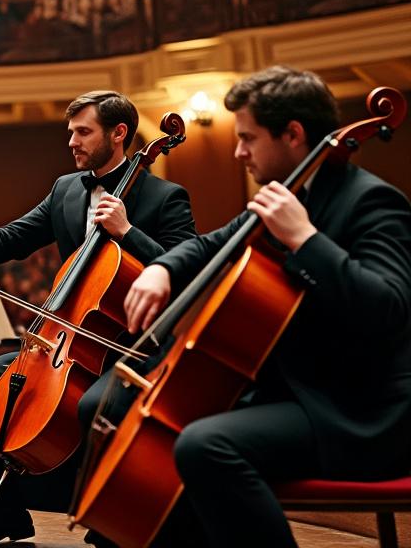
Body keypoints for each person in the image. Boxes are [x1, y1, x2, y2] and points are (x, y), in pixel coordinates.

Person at [120, 66, 411, 547]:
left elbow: (389, 310)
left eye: (248, 138)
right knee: (129, 407)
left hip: (358, 410)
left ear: (293, 134)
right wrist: (162, 269)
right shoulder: (287, 194)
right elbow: (210, 244)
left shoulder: (373, 202)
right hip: (294, 392)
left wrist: (305, 238)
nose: (239, 152)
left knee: (203, 444)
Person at [0, 90, 198, 548]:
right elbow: (14, 236)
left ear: (119, 134)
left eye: (84, 132)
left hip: (134, 346)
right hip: (66, 337)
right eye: (71, 133)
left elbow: (188, 272)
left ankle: (108, 516)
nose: (73, 142)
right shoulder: (66, 189)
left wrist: (129, 233)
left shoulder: (166, 198)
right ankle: (0, 517)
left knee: (91, 406)